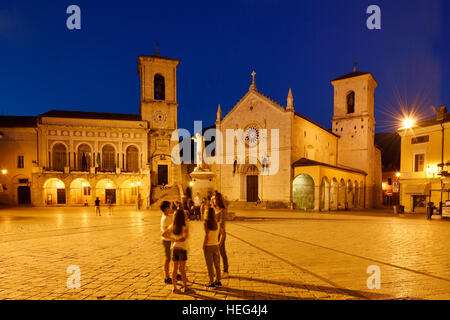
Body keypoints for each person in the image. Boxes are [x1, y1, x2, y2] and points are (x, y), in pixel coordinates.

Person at [163, 209, 191, 294]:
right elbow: (184, 238)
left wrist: (173, 239)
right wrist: (178, 239)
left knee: (174, 269)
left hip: (174, 249)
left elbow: (164, 234)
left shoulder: (172, 226)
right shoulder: (185, 226)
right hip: (182, 249)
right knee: (182, 269)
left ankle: (174, 287)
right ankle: (185, 287)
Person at [203, 207, 224, 289]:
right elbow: (223, 234)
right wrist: (219, 243)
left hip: (208, 246)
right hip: (216, 245)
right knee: (217, 264)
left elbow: (206, 235)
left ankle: (211, 281)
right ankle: (218, 280)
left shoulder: (206, 223)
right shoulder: (217, 223)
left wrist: (203, 245)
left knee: (209, 265)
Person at [213, 193, 229, 277]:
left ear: (219, 200)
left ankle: (226, 271)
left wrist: (215, 225)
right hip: (214, 234)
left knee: (222, 251)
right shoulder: (213, 209)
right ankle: (217, 270)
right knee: (215, 253)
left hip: (221, 233)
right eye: (214, 199)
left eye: (216, 199)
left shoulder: (222, 210)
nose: (215, 200)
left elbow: (222, 222)